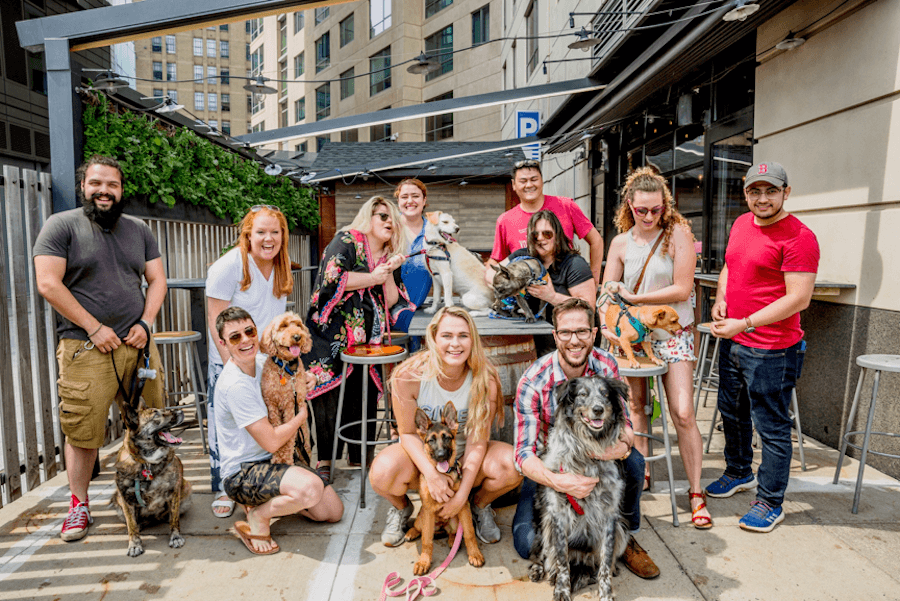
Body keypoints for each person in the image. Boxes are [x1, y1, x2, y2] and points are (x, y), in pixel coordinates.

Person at [33, 155, 167, 542]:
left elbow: (157, 280)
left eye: (112, 184)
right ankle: (79, 505)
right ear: (83, 187)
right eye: (96, 183)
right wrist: (94, 328)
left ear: (122, 190)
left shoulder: (138, 229)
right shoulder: (62, 226)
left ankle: (152, 497)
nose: (104, 191)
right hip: (85, 348)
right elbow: (48, 283)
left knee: (152, 422)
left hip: (138, 345)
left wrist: (146, 323)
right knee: (84, 432)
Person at [706, 162, 819, 533]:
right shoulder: (741, 224)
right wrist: (722, 297)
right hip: (734, 339)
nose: (763, 198)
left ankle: (770, 500)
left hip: (772, 349)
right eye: (755, 191)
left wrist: (747, 321)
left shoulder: (800, 236)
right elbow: (728, 266)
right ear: (745, 193)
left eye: (771, 190)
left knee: (771, 427)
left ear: (786, 192)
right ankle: (739, 472)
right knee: (732, 413)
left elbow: (799, 298)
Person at [512, 298, 660, 579]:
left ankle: (624, 537)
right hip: (553, 468)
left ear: (594, 334)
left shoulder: (606, 364)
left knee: (635, 462)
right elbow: (523, 454)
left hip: (601, 464)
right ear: (555, 336)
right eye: (565, 332)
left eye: (582, 331)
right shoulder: (534, 380)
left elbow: (627, 428)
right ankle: (574, 542)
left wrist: (607, 452)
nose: (574, 340)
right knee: (524, 543)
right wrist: (559, 480)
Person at [600, 167, 711, 529]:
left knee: (682, 411)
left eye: (656, 209)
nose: (649, 216)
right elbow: (606, 291)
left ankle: (696, 492)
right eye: (642, 210)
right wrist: (607, 317)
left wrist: (635, 298)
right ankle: (643, 471)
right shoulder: (620, 243)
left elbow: (682, 289)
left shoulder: (676, 233)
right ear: (629, 205)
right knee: (635, 406)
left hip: (672, 334)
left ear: (666, 206)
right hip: (634, 335)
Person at [369, 306, 523, 547]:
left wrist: (461, 496)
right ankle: (402, 509)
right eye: (447, 336)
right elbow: (408, 434)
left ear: (473, 339)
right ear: (433, 337)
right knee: (381, 472)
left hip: (466, 459)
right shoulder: (409, 376)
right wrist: (431, 475)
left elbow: (477, 442)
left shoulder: (485, 379)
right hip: (424, 460)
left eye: (463, 335)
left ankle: (478, 506)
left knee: (512, 465)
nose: (455, 344)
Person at [214, 307, 343, 554]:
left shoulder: (265, 362)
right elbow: (272, 442)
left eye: (249, 331)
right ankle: (259, 516)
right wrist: (301, 417)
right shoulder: (235, 385)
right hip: (244, 472)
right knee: (311, 489)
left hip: (273, 463)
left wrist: (310, 379)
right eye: (235, 337)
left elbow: (297, 374)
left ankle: (270, 500)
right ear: (223, 343)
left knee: (332, 512)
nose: (245, 340)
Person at [304, 196, 412, 483]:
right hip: (329, 333)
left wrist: (387, 272)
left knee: (360, 392)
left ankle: (358, 452)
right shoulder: (347, 240)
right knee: (328, 392)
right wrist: (374, 276)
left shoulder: (390, 253)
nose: (388, 222)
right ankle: (325, 458)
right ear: (369, 217)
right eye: (382, 216)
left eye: (392, 218)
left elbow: (390, 300)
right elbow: (331, 280)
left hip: (365, 339)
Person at [205, 204, 294, 518]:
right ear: (247, 235)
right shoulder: (229, 266)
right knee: (227, 427)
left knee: (261, 422)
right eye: (261, 232)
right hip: (233, 360)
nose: (268, 239)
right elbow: (217, 319)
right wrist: (237, 365)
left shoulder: (280, 265)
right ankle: (223, 486)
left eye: (275, 232)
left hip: (266, 359)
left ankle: (257, 481)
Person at [486, 159, 603, 286]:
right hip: (526, 294)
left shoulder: (566, 206)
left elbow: (596, 240)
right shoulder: (505, 220)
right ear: (514, 185)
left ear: (542, 180)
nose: (529, 185)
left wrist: (594, 279)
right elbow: (496, 260)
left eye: (534, 179)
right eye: (523, 181)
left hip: (566, 289)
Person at [500, 209, 596, 355]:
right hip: (529, 342)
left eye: (547, 234)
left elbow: (588, 307)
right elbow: (491, 274)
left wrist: (552, 297)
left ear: (557, 236)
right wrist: (511, 283)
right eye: (535, 235)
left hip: (569, 346)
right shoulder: (523, 256)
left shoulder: (574, 264)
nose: (540, 238)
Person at [393, 178, 432, 332]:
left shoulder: (435, 232)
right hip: (387, 310)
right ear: (398, 202)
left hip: (416, 312)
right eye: (404, 197)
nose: (410, 201)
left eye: (415, 196)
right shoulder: (388, 229)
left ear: (424, 200)